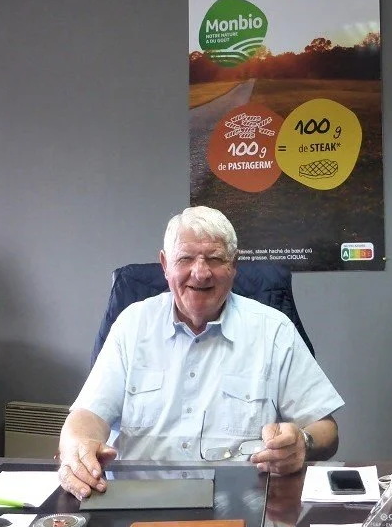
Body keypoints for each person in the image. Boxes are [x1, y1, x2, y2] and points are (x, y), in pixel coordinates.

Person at [58, 206, 344, 500]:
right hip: (139, 504)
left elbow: (326, 429)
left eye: (215, 259)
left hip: (241, 505)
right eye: (185, 259)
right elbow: (87, 416)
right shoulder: (132, 325)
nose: (200, 273)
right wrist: (77, 447)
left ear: (234, 265)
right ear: (165, 264)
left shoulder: (273, 330)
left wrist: (303, 442)